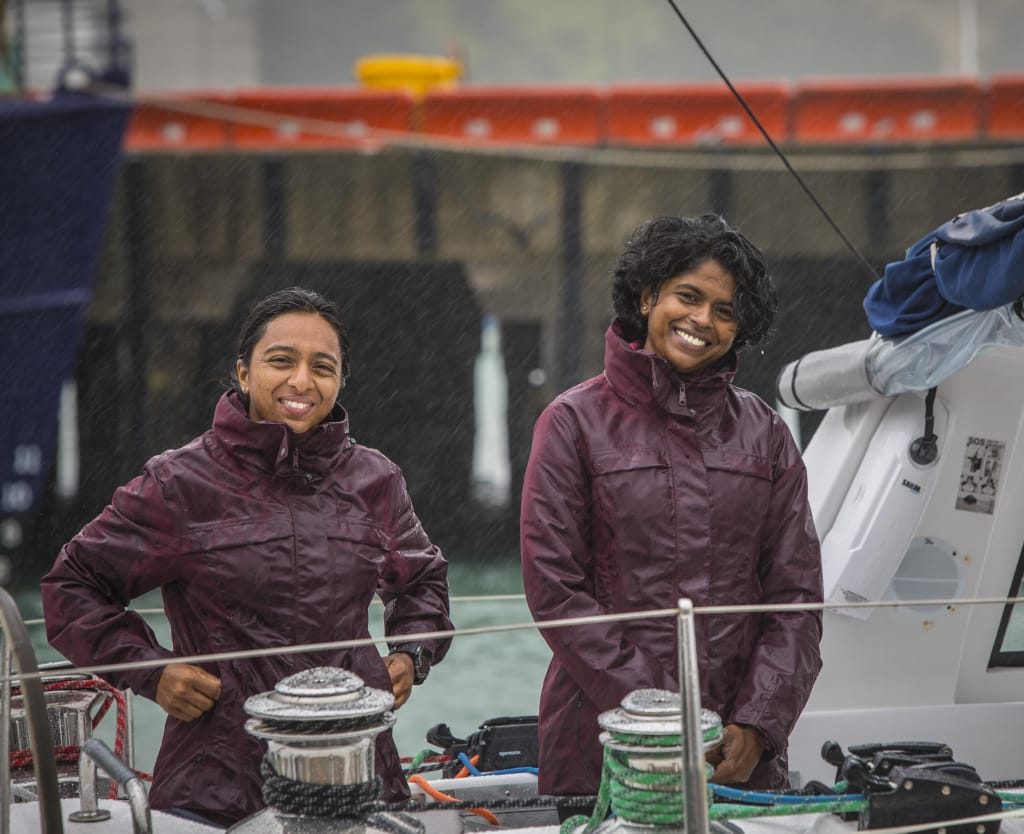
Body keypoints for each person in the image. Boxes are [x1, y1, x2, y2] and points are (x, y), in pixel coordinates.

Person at [42, 287, 453, 828]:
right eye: (281, 361)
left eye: (322, 367)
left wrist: (412, 653)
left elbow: (422, 580)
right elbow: (71, 586)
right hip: (214, 787)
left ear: (340, 381)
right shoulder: (179, 483)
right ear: (243, 372)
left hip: (360, 776)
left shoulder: (376, 480)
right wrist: (152, 671)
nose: (301, 381)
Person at [520, 214, 824, 798]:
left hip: (737, 758)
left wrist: (758, 723)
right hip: (604, 743)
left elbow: (796, 598)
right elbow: (555, 590)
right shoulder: (571, 423)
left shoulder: (766, 434)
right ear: (646, 294)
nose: (702, 320)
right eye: (688, 296)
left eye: (726, 310)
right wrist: (663, 715)